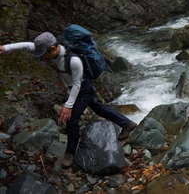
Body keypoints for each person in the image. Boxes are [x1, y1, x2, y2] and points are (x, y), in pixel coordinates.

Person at [0, 32, 137, 168]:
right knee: (98, 107)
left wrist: (68, 106)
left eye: (44, 54)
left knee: (71, 120)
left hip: (82, 88)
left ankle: (70, 153)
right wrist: (5, 48)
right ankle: (127, 124)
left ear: (53, 48)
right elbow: (27, 46)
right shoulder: (48, 49)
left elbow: (77, 85)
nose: (43, 57)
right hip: (77, 86)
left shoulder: (73, 61)